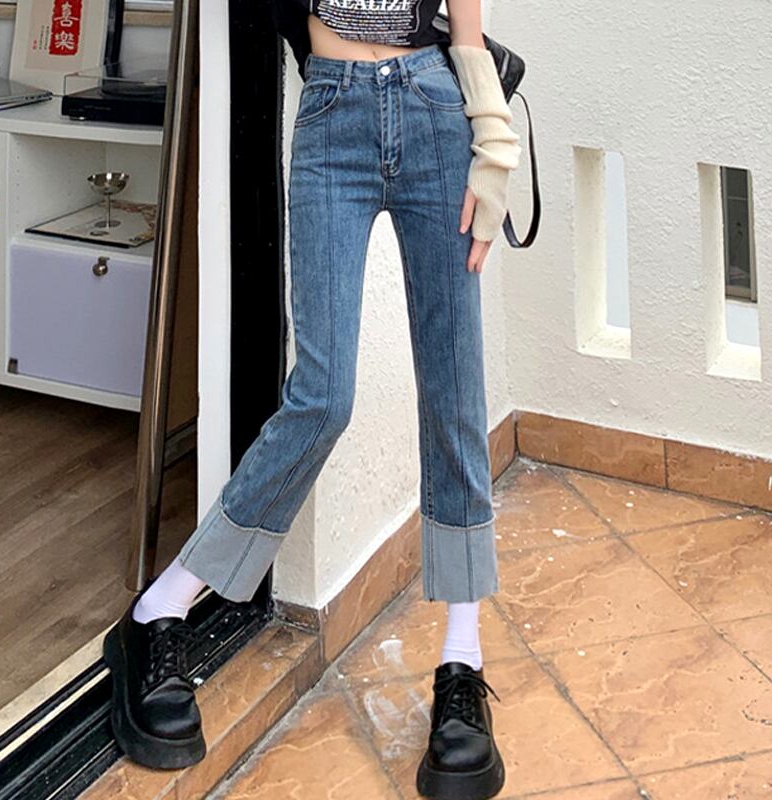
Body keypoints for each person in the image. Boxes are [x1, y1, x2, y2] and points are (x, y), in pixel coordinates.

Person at [103, 2, 521, 798]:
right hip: (332, 111)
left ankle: (462, 659)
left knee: (455, 393)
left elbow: (464, 22)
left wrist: (492, 135)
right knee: (322, 399)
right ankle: (159, 610)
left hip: (434, 106)